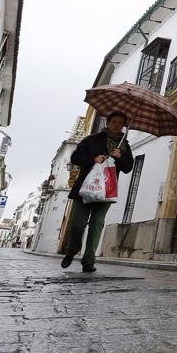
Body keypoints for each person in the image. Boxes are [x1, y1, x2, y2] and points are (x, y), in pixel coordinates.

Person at [62, 112, 133, 272]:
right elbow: (75, 158)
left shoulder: (124, 145)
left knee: (96, 224)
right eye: (114, 121)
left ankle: (88, 261)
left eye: (120, 122)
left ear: (123, 125)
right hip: (86, 188)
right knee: (78, 224)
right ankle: (73, 249)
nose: (116, 125)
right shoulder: (91, 140)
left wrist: (120, 157)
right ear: (108, 122)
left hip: (107, 190)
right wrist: (93, 159)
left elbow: (128, 167)